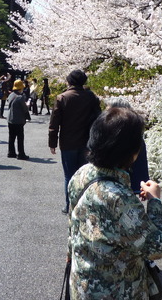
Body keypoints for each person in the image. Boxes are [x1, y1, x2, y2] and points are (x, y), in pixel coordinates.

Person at [68, 106, 162, 299]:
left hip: (82, 286)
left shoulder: (81, 174)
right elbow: (158, 246)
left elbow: (73, 224)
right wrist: (155, 201)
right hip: (116, 291)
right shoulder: (118, 198)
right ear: (131, 151)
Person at [49, 70, 101, 214]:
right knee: (85, 175)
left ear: (69, 81)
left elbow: (54, 123)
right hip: (87, 142)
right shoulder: (91, 97)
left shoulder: (62, 98)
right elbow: (99, 118)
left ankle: (69, 205)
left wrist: (52, 142)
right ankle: (83, 205)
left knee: (69, 175)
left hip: (68, 142)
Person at [7, 79, 31, 160]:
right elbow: (24, 109)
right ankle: (21, 154)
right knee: (20, 138)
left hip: (10, 119)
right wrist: (27, 105)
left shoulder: (11, 95)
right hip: (18, 120)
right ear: (21, 88)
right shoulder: (21, 97)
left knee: (11, 136)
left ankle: (11, 152)